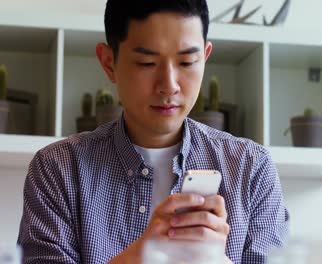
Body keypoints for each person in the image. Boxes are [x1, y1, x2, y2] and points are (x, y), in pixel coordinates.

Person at [17, 0, 289, 263]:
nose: (169, 86)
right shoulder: (59, 169)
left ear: (205, 58)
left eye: (186, 63)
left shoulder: (252, 169)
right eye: (147, 63)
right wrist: (139, 257)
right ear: (109, 62)